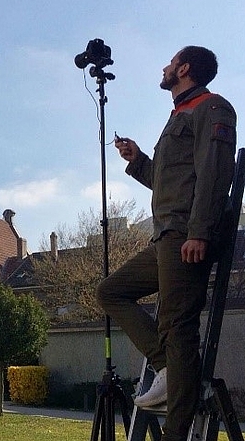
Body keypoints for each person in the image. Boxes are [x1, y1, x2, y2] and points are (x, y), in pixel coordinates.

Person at [96, 46, 237, 441]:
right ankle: (168, 369)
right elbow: (168, 180)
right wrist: (138, 159)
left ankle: (177, 430)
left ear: (185, 68)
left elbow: (215, 173)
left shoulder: (213, 108)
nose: (164, 66)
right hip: (166, 235)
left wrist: (199, 232)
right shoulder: (177, 115)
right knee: (109, 291)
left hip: (185, 235)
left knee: (178, 326)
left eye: (170, 62)